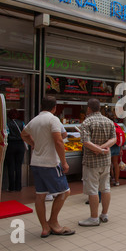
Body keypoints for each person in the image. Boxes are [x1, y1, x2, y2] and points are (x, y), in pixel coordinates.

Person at [21, 96, 75, 238]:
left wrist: (33, 144)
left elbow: (23, 134)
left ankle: (45, 228)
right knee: (65, 192)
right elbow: (58, 141)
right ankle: (53, 222)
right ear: (54, 107)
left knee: (40, 195)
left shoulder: (34, 120)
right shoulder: (53, 119)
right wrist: (64, 162)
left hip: (36, 163)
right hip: (50, 163)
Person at [78, 99, 116, 227]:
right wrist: (103, 148)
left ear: (89, 108)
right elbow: (114, 139)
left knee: (93, 189)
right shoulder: (109, 121)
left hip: (91, 162)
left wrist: (97, 150)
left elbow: (86, 142)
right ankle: (104, 214)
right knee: (105, 187)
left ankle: (94, 218)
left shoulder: (86, 122)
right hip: (106, 160)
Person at [5, 109, 26, 192]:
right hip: (20, 145)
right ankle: (19, 186)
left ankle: (11, 187)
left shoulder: (7, 124)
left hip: (11, 145)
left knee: (11, 166)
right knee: (18, 166)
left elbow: (6, 134)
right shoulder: (22, 123)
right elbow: (25, 133)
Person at [107, 112, 122, 186]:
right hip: (117, 145)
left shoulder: (107, 126)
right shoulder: (117, 125)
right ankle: (117, 181)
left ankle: (110, 178)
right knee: (115, 163)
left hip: (109, 146)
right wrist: (121, 148)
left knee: (108, 164)